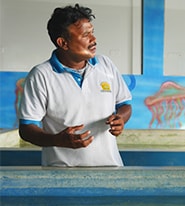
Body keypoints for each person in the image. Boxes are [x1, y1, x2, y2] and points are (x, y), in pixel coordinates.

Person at [18, 4, 132, 167]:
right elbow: (27, 128)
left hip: (110, 170)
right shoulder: (41, 75)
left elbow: (125, 105)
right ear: (63, 43)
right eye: (86, 35)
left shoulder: (105, 65)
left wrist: (120, 118)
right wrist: (57, 140)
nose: (94, 39)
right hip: (61, 174)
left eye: (92, 32)